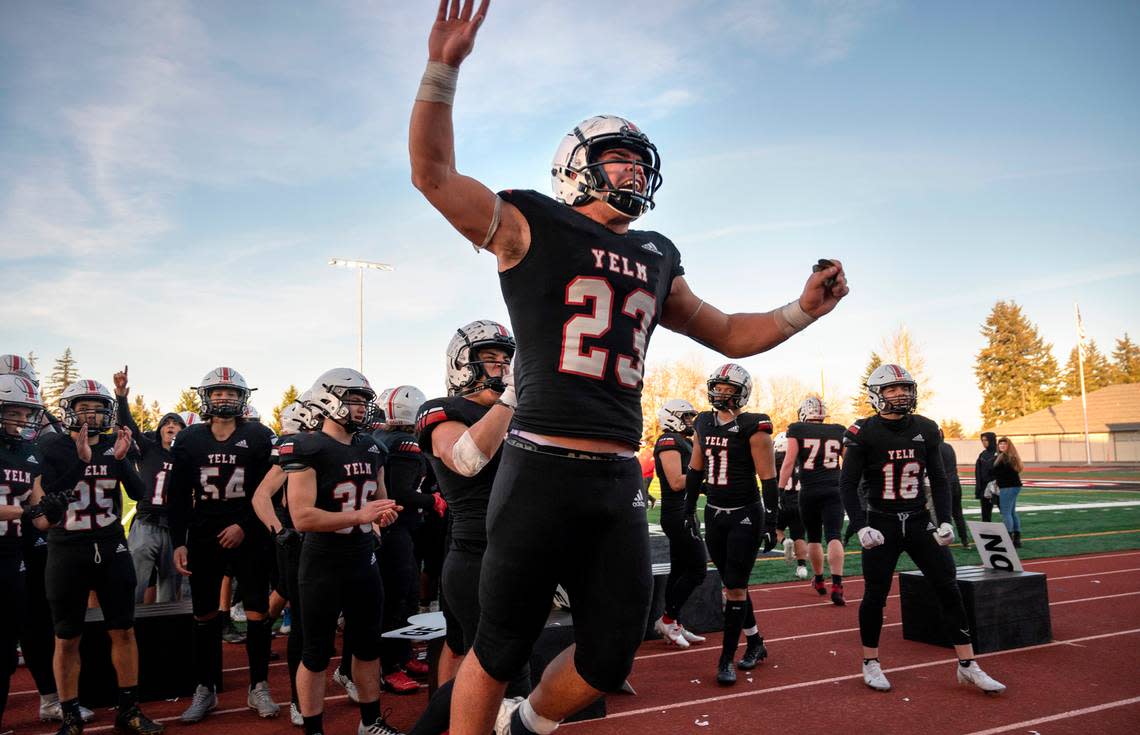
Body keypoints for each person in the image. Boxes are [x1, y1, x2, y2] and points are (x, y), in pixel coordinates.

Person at [409, 2, 847, 730]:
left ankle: (527, 725)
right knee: (497, 644)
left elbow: (729, 332)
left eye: (642, 160)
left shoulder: (654, 252)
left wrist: (802, 309)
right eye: (620, 156)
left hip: (615, 478)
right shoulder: (530, 223)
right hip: (540, 465)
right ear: (576, 166)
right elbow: (432, 172)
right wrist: (443, 67)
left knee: (609, 657)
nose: (635, 168)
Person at [840, 364, 1004, 695]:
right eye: (892, 389)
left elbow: (940, 479)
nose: (901, 394)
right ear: (876, 395)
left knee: (948, 588)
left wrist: (943, 519)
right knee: (876, 594)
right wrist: (860, 527)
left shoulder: (927, 428)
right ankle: (870, 662)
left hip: (917, 520)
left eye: (905, 388)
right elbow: (846, 483)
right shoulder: (862, 431)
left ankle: (968, 665)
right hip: (881, 522)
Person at [408, 321, 525, 735]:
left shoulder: (518, 411)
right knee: (505, 676)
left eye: (508, 362)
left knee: (472, 666)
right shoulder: (443, 408)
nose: (503, 369)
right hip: (476, 556)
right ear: (462, 364)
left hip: (510, 553)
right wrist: (511, 397)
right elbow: (467, 459)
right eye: (492, 361)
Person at [28, 379, 164, 734]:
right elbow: (50, 503)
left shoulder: (112, 445)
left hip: (110, 545)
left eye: (98, 407)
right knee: (66, 636)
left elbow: (140, 493)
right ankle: (70, 713)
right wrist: (82, 462)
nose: (91, 413)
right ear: (68, 410)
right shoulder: (52, 446)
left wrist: (122, 460)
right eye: (84, 407)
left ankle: (129, 708)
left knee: (123, 630)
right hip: (67, 548)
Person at [282, 368, 402, 735]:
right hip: (322, 561)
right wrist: (362, 514)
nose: (361, 408)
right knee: (316, 654)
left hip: (363, 558)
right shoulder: (307, 447)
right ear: (327, 400)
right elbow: (301, 516)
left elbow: (379, 498)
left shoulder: (372, 447)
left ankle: (370, 723)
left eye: (364, 401)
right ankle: (314, 729)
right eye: (353, 399)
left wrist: (384, 513)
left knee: (367, 648)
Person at [169, 367, 279, 723]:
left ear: (243, 398)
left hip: (250, 532)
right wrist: (178, 542)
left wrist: (244, 525)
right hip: (203, 533)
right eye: (217, 393)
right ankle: (206, 688)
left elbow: (268, 492)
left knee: (257, 610)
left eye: (230, 393)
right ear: (205, 397)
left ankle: (258, 685)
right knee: (204, 612)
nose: (223, 398)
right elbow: (178, 497)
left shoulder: (261, 436)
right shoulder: (189, 439)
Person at [686, 365, 777, 685]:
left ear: (742, 392)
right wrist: (688, 508)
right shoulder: (703, 421)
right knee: (732, 584)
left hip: (745, 513)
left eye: (729, 388)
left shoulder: (755, 424)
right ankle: (755, 641)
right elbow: (696, 468)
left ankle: (725, 659)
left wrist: (773, 520)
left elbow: (768, 477)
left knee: (735, 588)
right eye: (718, 387)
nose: (722, 393)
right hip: (714, 511)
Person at [252, 397, 317, 727]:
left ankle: (347, 675)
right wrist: (281, 531)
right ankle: (297, 697)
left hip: (334, 541)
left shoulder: (341, 442)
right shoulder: (294, 447)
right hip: (299, 540)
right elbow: (262, 496)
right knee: (305, 623)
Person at [372, 385, 440, 694]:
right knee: (400, 597)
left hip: (390, 528)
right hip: (395, 527)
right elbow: (400, 493)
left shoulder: (382, 437)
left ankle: (400, 656)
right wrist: (433, 500)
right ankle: (389, 667)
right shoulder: (405, 443)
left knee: (404, 594)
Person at [112, 367, 187, 603]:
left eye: (177, 423)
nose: (171, 425)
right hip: (146, 523)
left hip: (174, 528)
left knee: (170, 590)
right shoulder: (149, 449)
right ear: (161, 429)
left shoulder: (186, 457)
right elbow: (128, 427)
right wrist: (122, 396)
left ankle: (165, 636)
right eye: (167, 422)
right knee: (135, 584)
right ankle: (128, 633)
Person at [0, 373, 45, 733]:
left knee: (5, 646)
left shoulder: (29, 455)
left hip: (12, 555)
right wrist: (25, 511)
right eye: (16, 413)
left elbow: (39, 514)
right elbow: (22, 509)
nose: (23, 421)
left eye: (27, 414)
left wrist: (56, 509)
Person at [781, 396, 847, 605]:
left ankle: (819, 580)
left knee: (815, 538)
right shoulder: (838, 429)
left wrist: (780, 489)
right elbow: (851, 461)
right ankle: (837, 584)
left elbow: (789, 462)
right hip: (834, 489)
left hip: (809, 491)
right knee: (834, 536)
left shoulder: (797, 429)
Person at [651, 399, 706, 648]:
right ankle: (667, 618)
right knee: (697, 570)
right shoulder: (668, 441)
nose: (689, 422)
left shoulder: (684, 441)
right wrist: (704, 475)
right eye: (685, 417)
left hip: (686, 511)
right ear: (671, 417)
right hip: (676, 513)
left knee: (680, 570)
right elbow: (675, 481)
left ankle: (674, 622)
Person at [772, 431, 809, 580]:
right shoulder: (803, 459)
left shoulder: (775, 459)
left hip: (782, 501)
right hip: (800, 502)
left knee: (775, 529)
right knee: (799, 536)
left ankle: (784, 541)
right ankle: (802, 568)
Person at [939, 431, 969, 548]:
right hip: (955, 482)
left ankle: (945, 540)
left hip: (946, 485)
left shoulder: (936, 448)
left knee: (943, 514)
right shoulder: (949, 447)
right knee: (958, 513)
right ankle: (964, 540)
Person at [992, 437, 1024, 548]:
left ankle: (1008, 538)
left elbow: (999, 473)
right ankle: (1017, 539)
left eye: (1004, 444)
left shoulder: (1004, 457)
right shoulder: (1012, 456)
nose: (1001, 446)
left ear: (1008, 445)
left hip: (1008, 487)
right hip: (1014, 486)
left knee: (1006, 513)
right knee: (1012, 512)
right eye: (1000, 444)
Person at [974, 432, 999, 523]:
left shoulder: (1000, 453)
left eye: (986, 440)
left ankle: (1011, 533)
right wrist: (979, 490)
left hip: (997, 487)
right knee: (985, 514)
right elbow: (978, 473)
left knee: (1005, 512)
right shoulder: (982, 454)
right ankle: (987, 534)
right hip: (985, 488)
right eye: (982, 440)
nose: (984, 442)